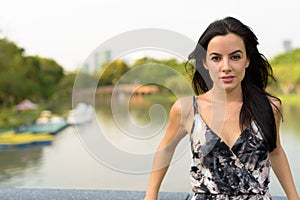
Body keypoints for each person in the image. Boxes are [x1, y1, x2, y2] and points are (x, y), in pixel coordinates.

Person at [144, 16, 299, 200]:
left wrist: (293, 197)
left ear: (247, 60)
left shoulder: (269, 107)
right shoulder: (186, 109)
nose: (226, 67)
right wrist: (151, 195)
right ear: (204, 63)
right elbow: (166, 149)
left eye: (235, 57)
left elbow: (276, 151)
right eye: (216, 58)